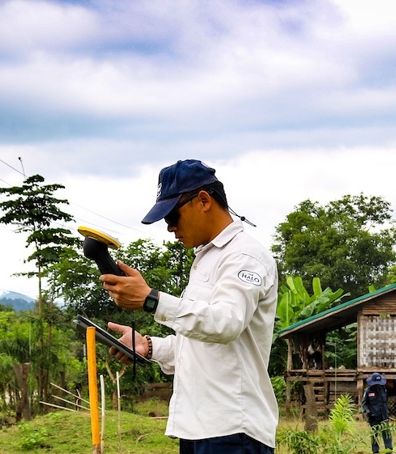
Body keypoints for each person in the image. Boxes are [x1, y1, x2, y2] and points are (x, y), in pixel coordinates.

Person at [101, 159, 279, 454]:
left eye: (173, 216)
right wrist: (150, 346)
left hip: (234, 430)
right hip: (200, 428)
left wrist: (151, 299)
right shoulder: (206, 259)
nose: (171, 228)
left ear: (204, 201)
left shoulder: (244, 256)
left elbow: (226, 323)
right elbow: (203, 346)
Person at [361, 372, 393, 454]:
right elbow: (364, 404)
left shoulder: (384, 389)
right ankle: (375, 451)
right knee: (374, 435)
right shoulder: (367, 391)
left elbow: (385, 402)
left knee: (387, 434)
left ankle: (389, 450)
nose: (377, 385)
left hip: (384, 416)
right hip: (373, 417)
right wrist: (368, 413)